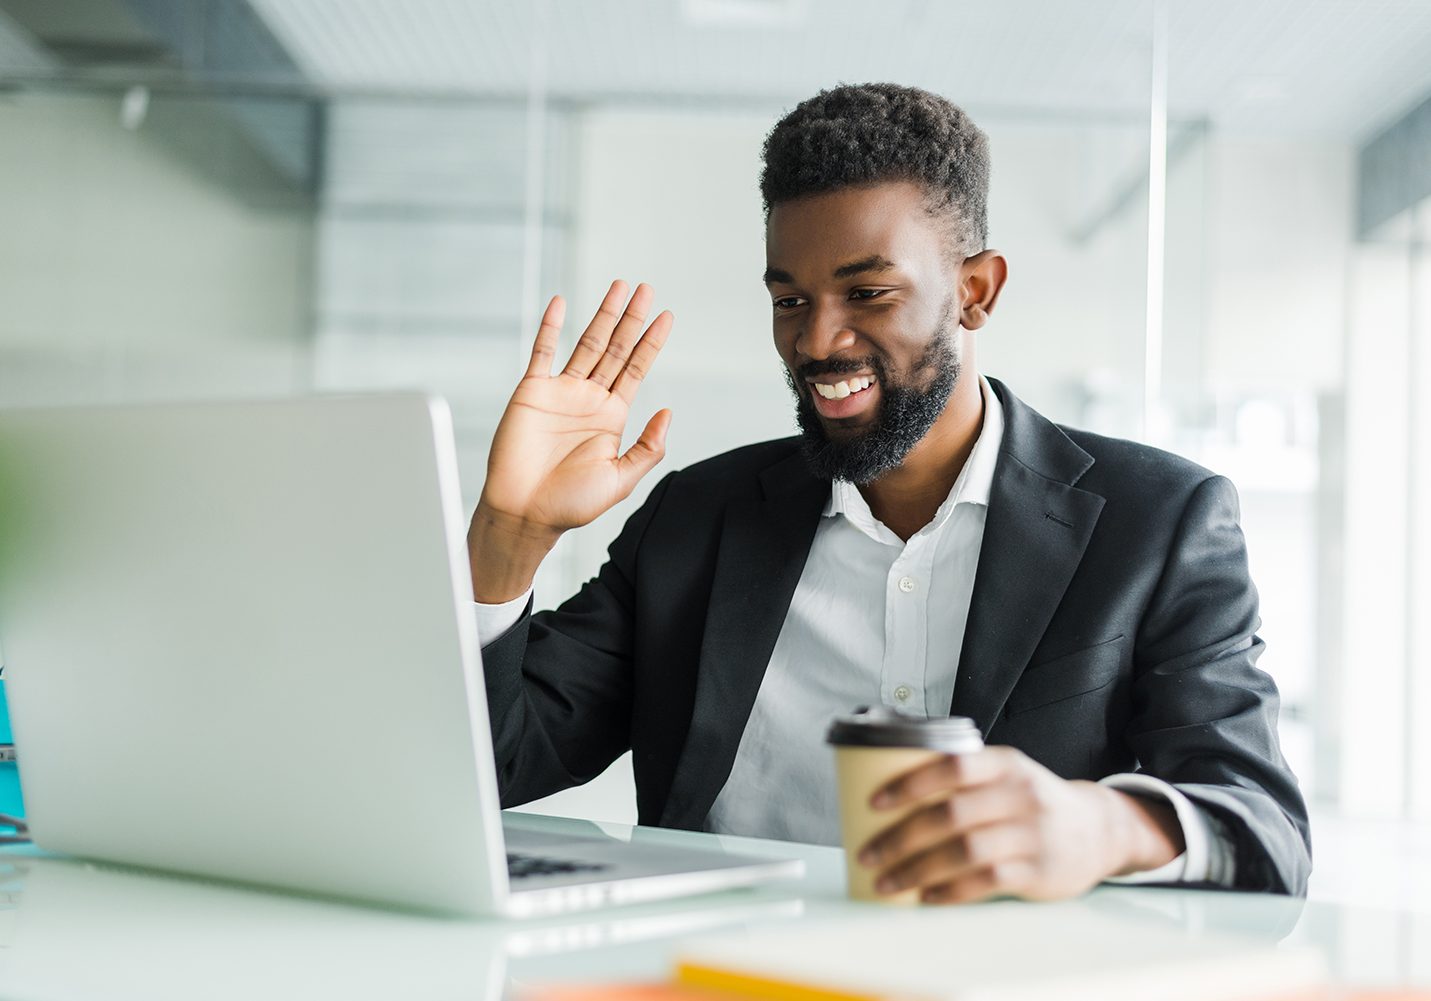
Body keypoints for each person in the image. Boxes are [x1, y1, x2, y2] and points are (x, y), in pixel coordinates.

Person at [467, 83, 1311, 902]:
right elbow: (497, 762)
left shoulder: (1158, 521)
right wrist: (510, 535)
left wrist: (1101, 825)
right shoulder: (698, 517)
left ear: (974, 291)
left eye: (867, 293)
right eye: (789, 299)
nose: (816, 339)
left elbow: (1263, 828)